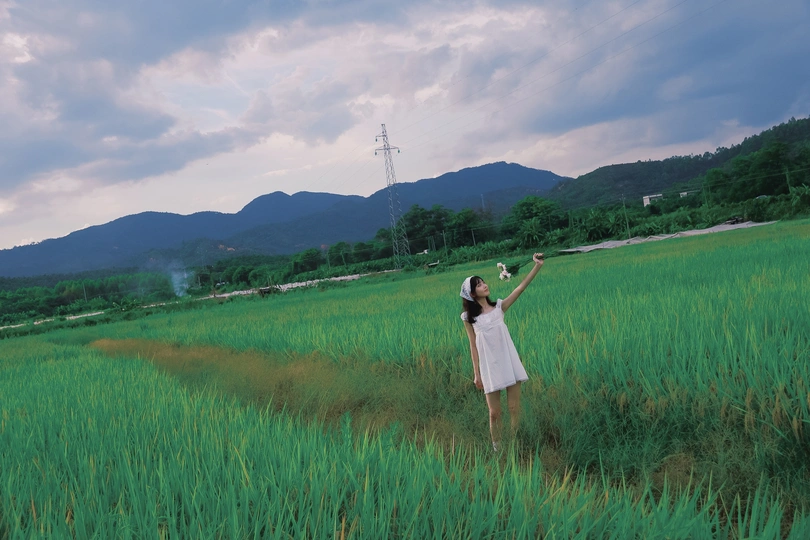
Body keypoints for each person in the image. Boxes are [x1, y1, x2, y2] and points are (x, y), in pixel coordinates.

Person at [460, 253, 545, 452]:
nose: (484, 285)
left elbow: (520, 288)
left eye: (483, 282)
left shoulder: (499, 307)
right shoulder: (469, 318)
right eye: (479, 285)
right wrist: (476, 373)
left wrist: (537, 266)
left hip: (508, 361)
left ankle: (514, 445)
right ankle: (497, 448)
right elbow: (473, 345)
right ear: (472, 294)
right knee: (494, 413)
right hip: (489, 367)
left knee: (514, 408)